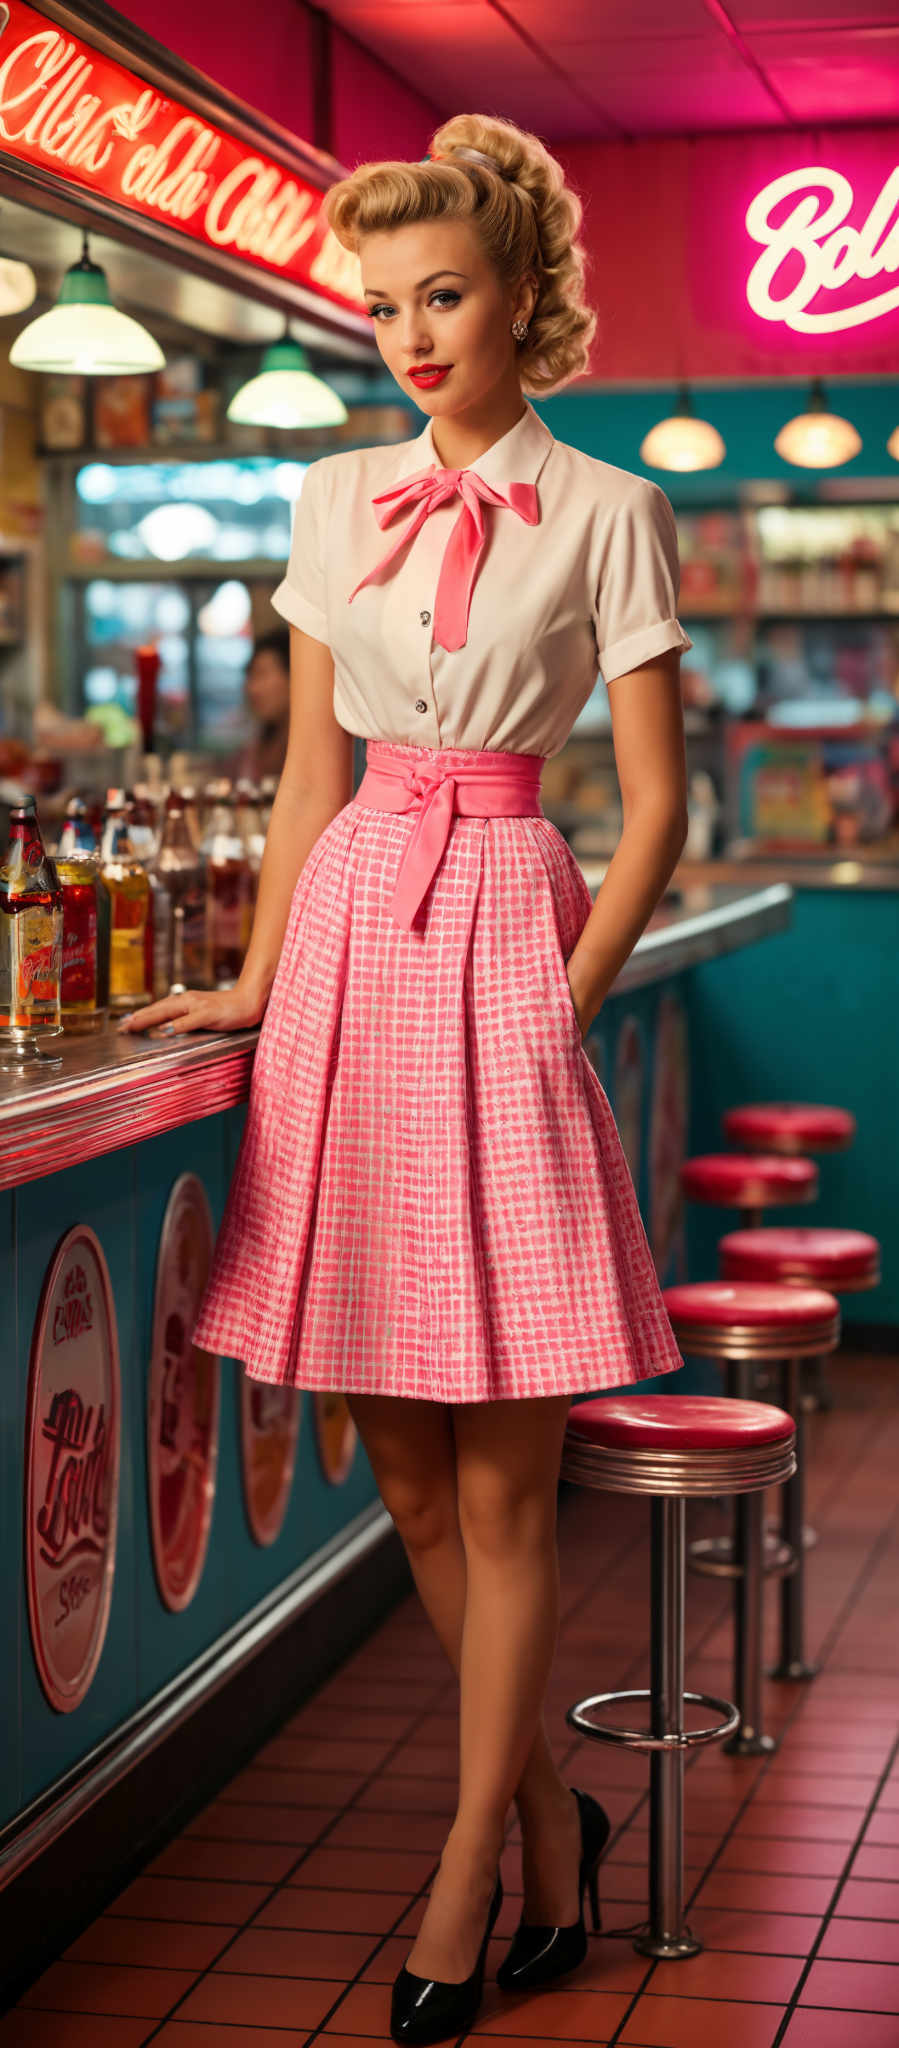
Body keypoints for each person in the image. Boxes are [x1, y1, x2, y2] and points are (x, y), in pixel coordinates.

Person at [120, 113, 693, 2045]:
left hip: (508, 939)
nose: (410, 335)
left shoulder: (610, 508)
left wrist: (565, 996)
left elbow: (657, 808)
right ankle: (546, 1812)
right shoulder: (330, 493)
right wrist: (253, 983)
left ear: (522, 291)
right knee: (403, 1477)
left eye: (440, 295)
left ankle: (465, 1869)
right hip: (359, 938)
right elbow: (296, 783)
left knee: (508, 1478)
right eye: (381, 307)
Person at [231, 626, 291, 781]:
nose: (252, 688)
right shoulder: (260, 741)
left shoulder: (314, 744)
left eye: (262, 675)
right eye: (251, 677)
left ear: (294, 677)